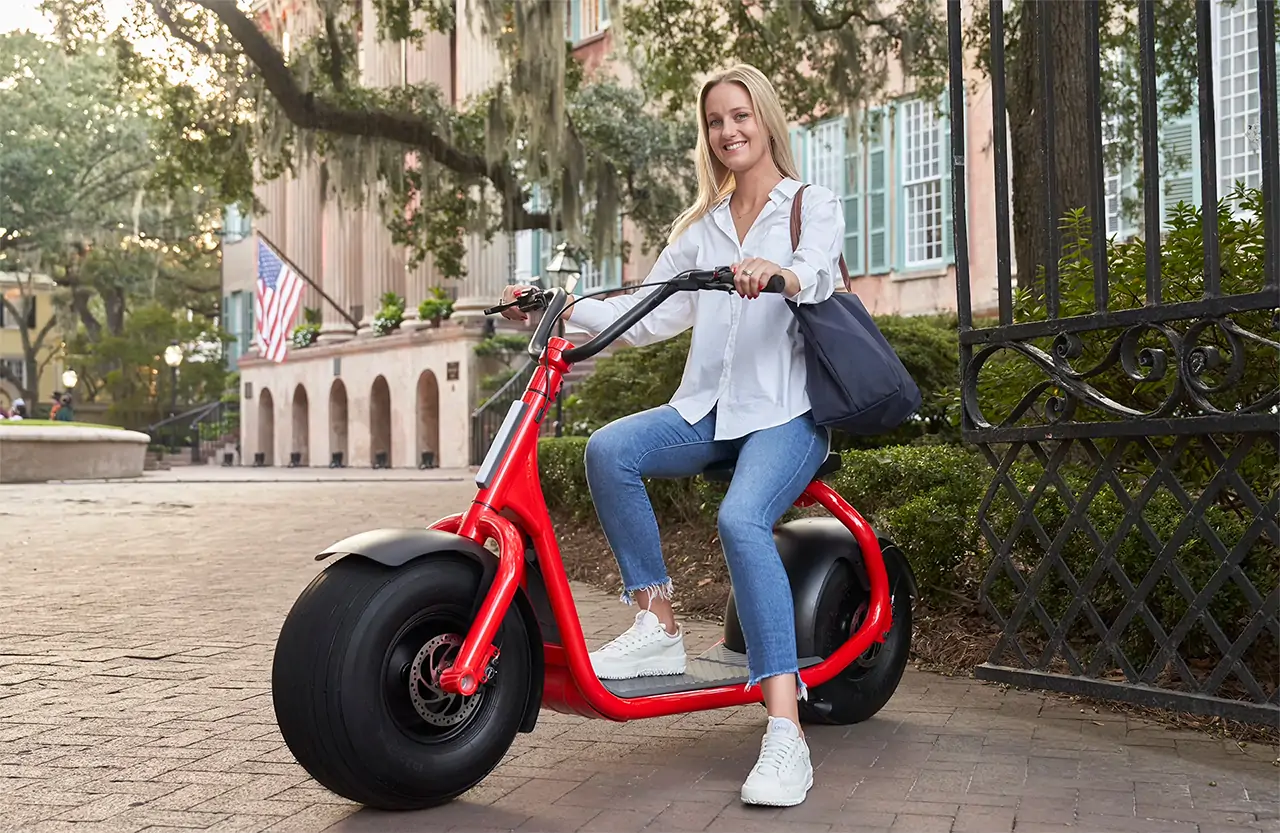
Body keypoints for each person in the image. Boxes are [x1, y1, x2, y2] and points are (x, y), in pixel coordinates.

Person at [497, 63, 842, 807]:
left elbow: (815, 274)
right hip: (711, 412)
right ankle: (656, 620)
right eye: (716, 121)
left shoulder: (808, 205)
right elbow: (648, 315)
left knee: (740, 519)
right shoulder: (701, 225)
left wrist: (774, 272)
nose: (729, 131)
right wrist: (558, 307)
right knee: (610, 449)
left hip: (788, 414)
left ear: (766, 117)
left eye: (740, 115)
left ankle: (787, 732)